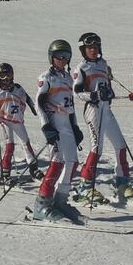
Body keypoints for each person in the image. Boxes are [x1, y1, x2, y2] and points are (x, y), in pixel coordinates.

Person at [73, 32, 133, 204]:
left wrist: (109, 93)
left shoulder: (103, 64)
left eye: (95, 47)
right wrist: (94, 95)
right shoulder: (81, 68)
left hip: (106, 110)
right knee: (97, 149)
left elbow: (107, 86)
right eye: (89, 48)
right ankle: (85, 186)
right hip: (93, 111)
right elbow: (77, 92)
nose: (93, 50)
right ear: (83, 49)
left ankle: (122, 182)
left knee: (120, 145)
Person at [32, 40, 85, 222]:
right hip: (54, 123)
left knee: (72, 162)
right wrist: (46, 126)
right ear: (51, 58)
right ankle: (41, 205)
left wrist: (75, 126)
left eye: (66, 56)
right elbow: (39, 103)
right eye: (59, 56)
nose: (63, 59)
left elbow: (71, 106)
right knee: (57, 163)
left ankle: (60, 201)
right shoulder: (46, 77)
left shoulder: (68, 78)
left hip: (67, 125)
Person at [0, 63, 41, 184]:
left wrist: (35, 109)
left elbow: (28, 99)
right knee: (9, 145)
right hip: (5, 121)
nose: (6, 78)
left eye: (8, 74)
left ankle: (34, 169)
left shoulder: (18, 88)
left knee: (26, 144)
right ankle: (5, 173)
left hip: (18, 121)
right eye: (2, 75)